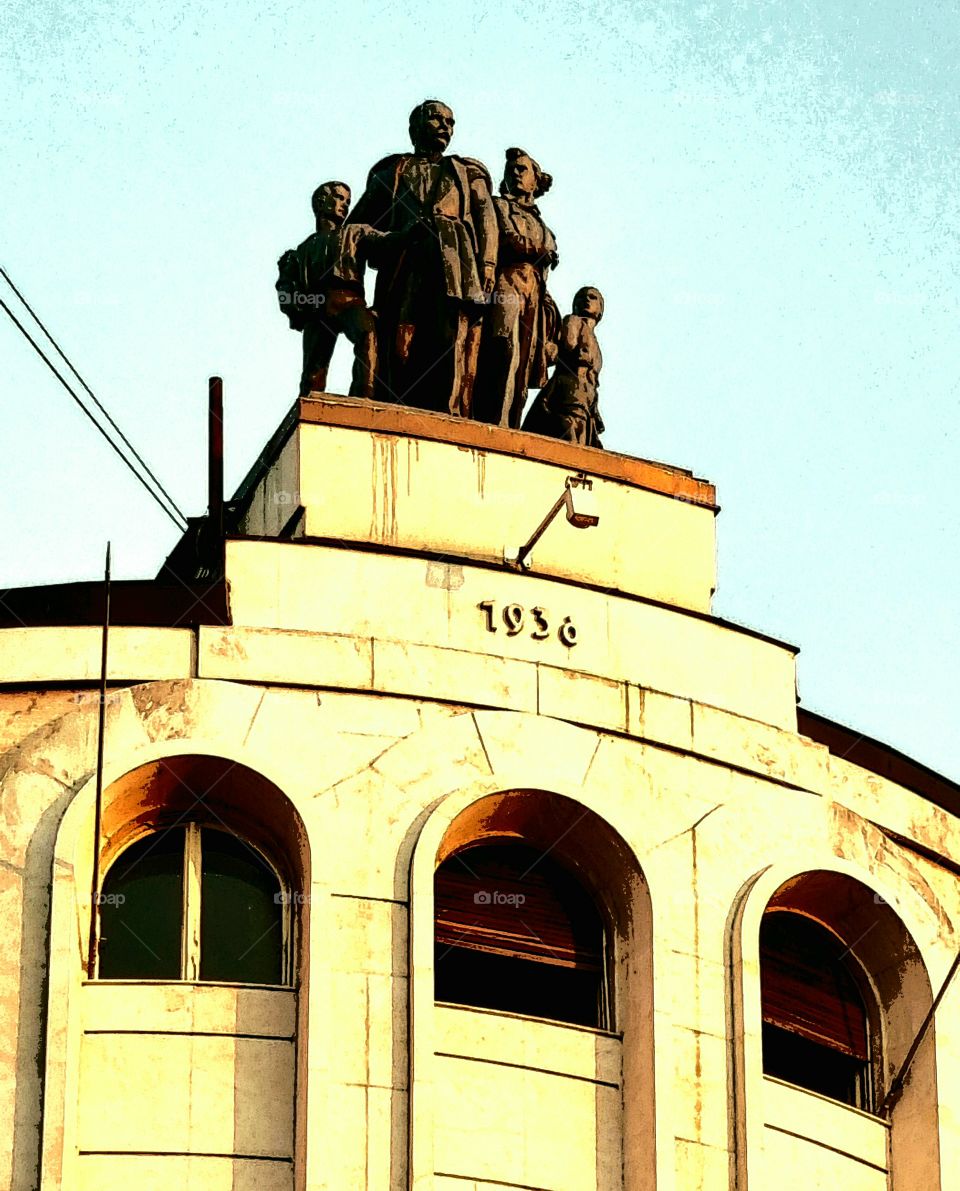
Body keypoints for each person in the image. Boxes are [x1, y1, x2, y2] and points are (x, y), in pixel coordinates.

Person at [347, 100, 498, 415]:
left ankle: (450, 412)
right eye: (436, 118)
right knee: (401, 342)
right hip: (405, 264)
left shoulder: (467, 172)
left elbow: (487, 219)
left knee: (451, 337)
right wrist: (385, 243)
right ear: (414, 127)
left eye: (450, 121)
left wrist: (488, 264)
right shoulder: (390, 173)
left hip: (456, 264)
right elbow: (357, 228)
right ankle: (397, 407)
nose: (445, 126)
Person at [476, 148, 560, 429]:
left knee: (524, 364)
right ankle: (492, 419)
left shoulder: (544, 225)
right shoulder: (498, 206)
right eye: (511, 169)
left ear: (537, 181)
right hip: (506, 281)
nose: (514, 172)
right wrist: (540, 251)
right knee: (504, 346)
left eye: (522, 169)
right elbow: (507, 239)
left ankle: (511, 426)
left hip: (534, 291)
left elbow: (547, 266)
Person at [276, 180, 380, 399]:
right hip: (317, 306)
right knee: (313, 370)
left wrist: (412, 233)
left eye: (348, 201)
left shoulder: (356, 232)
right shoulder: (300, 252)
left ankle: (364, 395)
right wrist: (300, 302)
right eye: (340, 198)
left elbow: (387, 241)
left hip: (350, 301)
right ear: (322, 202)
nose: (345, 205)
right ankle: (310, 406)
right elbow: (285, 293)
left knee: (367, 333)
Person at [522, 286, 605, 447]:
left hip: (586, 399)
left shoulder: (596, 345)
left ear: (600, 310)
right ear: (575, 305)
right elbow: (568, 344)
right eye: (581, 297)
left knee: (579, 440)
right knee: (570, 434)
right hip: (568, 388)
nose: (587, 299)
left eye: (593, 297)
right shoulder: (573, 321)